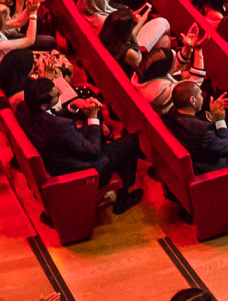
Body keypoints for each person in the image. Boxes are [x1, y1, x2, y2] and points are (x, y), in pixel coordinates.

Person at [16, 75, 141, 211]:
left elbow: (49, 120)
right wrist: (92, 116)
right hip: (80, 170)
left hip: (56, 156)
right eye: (56, 95)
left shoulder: (24, 109)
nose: (60, 93)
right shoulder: (62, 127)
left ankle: (115, 163)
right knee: (132, 141)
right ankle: (123, 198)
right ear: (44, 105)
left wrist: (72, 106)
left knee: (96, 130)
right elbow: (93, 152)